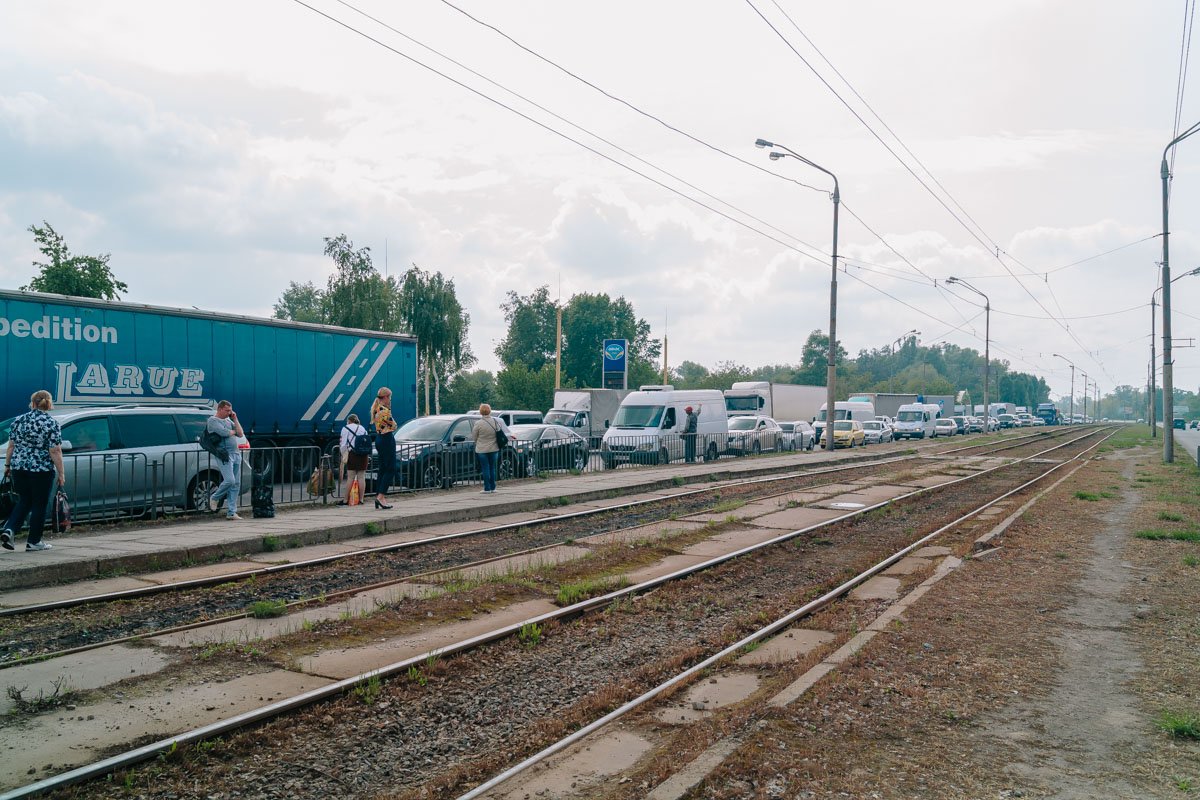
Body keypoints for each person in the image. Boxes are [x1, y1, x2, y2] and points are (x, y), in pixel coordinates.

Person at [2, 390, 66, 552]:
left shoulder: (18, 420)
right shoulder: (51, 423)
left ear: (32, 403)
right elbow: (55, 450)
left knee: (25, 500)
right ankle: (34, 541)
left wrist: (7, 466)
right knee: (39, 504)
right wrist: (61, 473)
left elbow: (11, 446)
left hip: (19, 468)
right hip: (41, 470)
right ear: (49, 403)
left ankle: (9, 529)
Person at [206, 400, 244, 520]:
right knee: (230, 480)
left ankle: (232, 512)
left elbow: (240, 433)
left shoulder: (228, 420)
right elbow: (224, 433)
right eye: (227, 410)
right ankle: (215, 497)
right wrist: (232, 432)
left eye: (230, 410)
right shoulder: (212, 420)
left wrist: (235, 419)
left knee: (236, 484)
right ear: (220, 409)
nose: (229, 413)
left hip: (236, 454)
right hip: (224, 455)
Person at [471, 403, 508, 494]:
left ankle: (486, 488)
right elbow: (499, 434)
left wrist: (478, 442)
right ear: (489, 411)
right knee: (492, 468)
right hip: (494, 449)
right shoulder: (495, 422)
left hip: (482, 449)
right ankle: (493, 487)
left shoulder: (478, 423)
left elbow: (474, 436)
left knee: (485, 468)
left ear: (480, 412)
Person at [371, 388, 396, 509]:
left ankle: (378, 496)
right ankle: (381, 496)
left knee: (382, 469)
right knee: (390, 468)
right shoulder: (385, 410)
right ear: (385, 397)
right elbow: (394, 425)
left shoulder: (376, 409)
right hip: (387, 439)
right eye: (389, 397)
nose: (390, 399)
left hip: (379, 439)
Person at [339, 413, 370, 506]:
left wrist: (343, 455)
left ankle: (345, 500)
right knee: (361, 477)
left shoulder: (346, 428)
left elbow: (343, 444)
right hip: (363, 454)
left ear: (349, 421)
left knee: (350, 477)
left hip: (352, 454)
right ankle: (361, 500)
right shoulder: (362, 428)